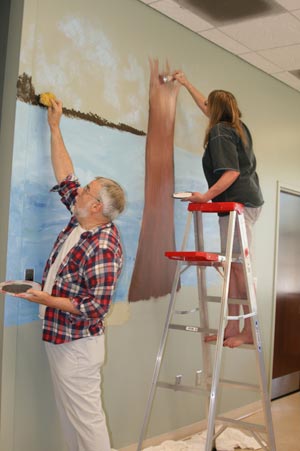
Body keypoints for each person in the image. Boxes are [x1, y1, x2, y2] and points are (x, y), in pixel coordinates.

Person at [19, 99, 125, 451]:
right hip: (61, 337)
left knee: (87, 421)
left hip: (77, 346)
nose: (77, 191)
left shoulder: (105, 247)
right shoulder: (81, 220)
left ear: (97, 207)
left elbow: (94, 308)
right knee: (71, 417)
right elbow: (66, 177)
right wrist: (54, 126)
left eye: (86, 191)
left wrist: (44, 298)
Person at [173, 71, 264, 348]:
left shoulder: (219, 131)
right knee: (233, 269)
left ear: (216, 112)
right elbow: (206, 106)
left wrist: (205, 197)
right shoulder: (236, 126)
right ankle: (232, 327)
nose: (206, 110)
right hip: (241, 204)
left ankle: (248, 330)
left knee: (239, 270)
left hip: (237, 206)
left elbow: (231, 173)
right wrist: (187, 83)